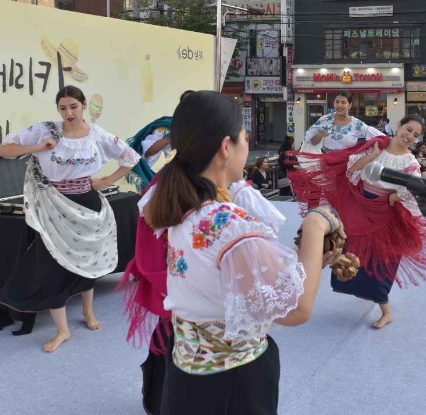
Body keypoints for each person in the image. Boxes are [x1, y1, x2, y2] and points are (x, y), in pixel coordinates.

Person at [143, 91, 343, 413]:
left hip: (186, 373)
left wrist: (310, 262)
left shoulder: (184, 207)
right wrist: (317, 224)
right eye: (244, 139)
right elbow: (295, 310)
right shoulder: (229, 223)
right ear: (226, 147)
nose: (247, 146)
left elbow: (236, 281)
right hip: (232, 382)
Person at [0, 85, 142, 353]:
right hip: (53, 205)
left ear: (83, 105)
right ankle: (62, 330)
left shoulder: (97, 135)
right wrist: (38, 146)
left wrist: (106, 180)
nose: (68, 112)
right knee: (51, 265)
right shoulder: (45, 130)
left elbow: (130, 157)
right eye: (63, 108)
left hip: (88, 202)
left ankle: (88, 311)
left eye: (73, 106)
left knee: (87, 260)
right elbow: (4, 149)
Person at [291, 116, 426, 330]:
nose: (410, 136)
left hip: (384, 215)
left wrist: (396, 196)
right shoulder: (376, 146)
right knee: (349, 253)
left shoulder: (411, 162)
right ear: (398, 125)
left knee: (383, 263)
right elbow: (352, 170)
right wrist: (373, 155)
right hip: (359, 206)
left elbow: (412, 190)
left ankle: (386, 312)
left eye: (415, 135)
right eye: (408, 129)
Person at [126, 90, 195, 192]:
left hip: (203, 177)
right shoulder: (169, 125)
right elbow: (149, 151)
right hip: (179, 179)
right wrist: (171, 136)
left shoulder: (207, 125)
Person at [305, 91, 383, 153]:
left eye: (343, 103)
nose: (339, 105)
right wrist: (320, 135)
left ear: (349, 105)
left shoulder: (356, 124)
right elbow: (312, 142)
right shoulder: (325, 120)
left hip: (348, 164)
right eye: (337, 102)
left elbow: (377, 136)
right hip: (326, 163)